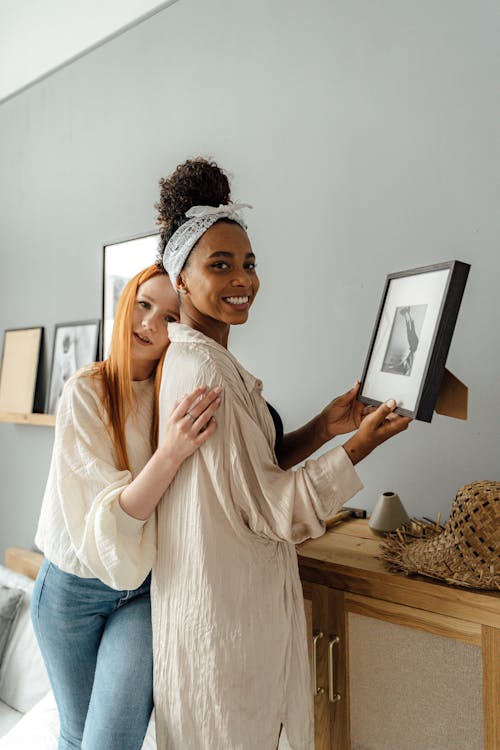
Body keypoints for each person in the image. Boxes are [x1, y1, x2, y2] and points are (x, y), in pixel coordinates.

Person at [152, 158, 411, 750]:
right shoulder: (205, 372)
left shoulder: (196, 358)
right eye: (220, 265)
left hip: (212, 612)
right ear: (181, 282)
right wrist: (361, 445)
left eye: (248, 263)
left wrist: (325, 426)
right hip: (227, 622)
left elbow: (245, 475)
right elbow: (273, 509)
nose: (243, 278)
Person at [31, 264, 221, 750]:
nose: (150, 324)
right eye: (144, 304)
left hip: (139, 592)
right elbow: (111, 522)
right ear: (126, 303)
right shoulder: (84, 392)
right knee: (76, 733)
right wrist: (171, 451)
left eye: (169, 316)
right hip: (70, 595)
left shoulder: (174, 396)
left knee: (111, 740)